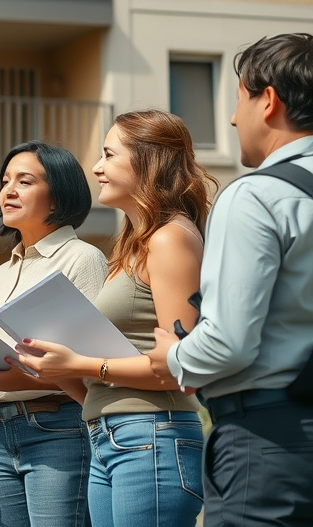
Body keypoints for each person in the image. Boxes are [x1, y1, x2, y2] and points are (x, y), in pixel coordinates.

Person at [17, 109, 217, 527]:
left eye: (109, 155)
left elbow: (179, 368)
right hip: (111, 436)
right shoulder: (131, 248)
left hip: (153, 436)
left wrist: (79, 364)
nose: (96, 167)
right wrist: (54, 366)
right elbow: (98, 382)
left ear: (146, 161)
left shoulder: (170, 238)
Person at [149, 33, 313, 526]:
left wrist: (173, 357)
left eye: (238, 99)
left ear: (268, 100)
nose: (232, 119)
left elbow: (230, 343)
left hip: (269, 441)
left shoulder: (257, 197)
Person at [0, 141, 106, 527]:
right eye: (5, 181)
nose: (9, 191)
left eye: (25, 181)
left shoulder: (83, 259)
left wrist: (7, 376)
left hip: (56, 429)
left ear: (57, 196)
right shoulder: (1, 273)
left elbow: (93, 362)